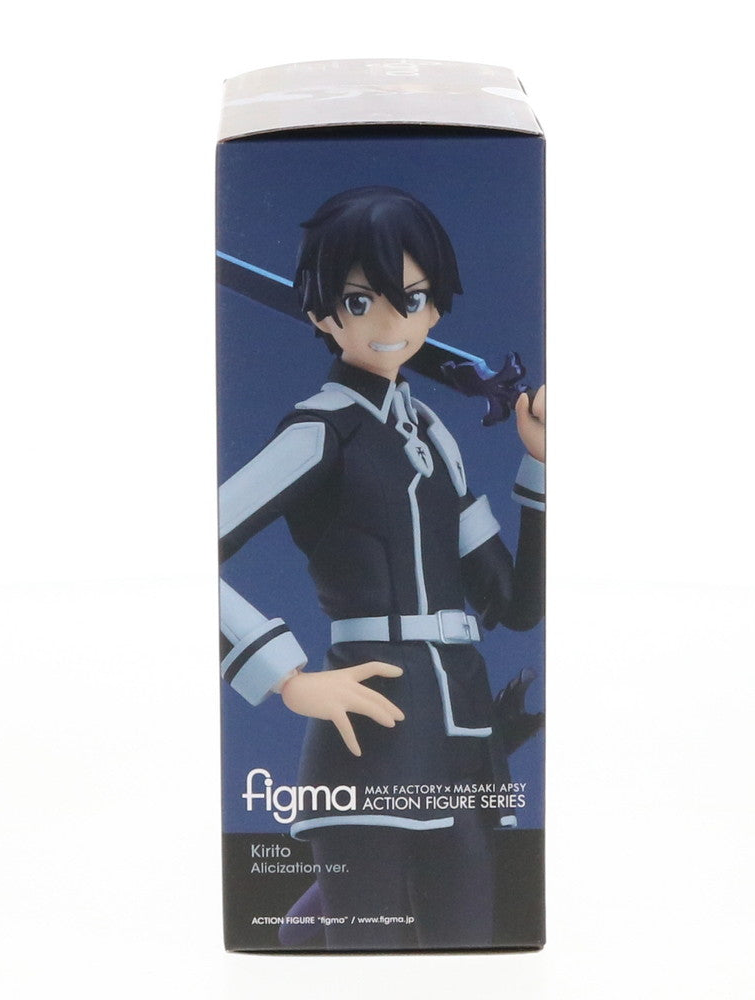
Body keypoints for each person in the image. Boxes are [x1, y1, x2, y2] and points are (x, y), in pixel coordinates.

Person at [218, 186, 545, 947]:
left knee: (470, 950)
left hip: (460, 746)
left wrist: (539, 466)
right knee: (361, 957)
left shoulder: (435, 438)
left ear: (434, 313)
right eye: (361, 302)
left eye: (414, 299)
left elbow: (515, 605)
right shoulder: (320, 432)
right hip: (367, 740)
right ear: (322, 314)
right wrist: (288, 678)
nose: (393, 323)